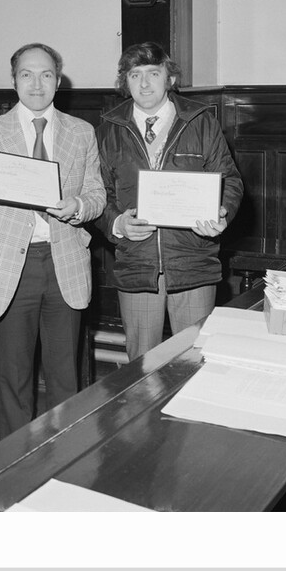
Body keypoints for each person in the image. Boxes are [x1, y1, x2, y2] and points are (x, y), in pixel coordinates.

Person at [0, 43, 106, 438]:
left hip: (65, 265)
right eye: (27, 74)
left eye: (46, 75)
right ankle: (14, 471)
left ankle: (65, 465)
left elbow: (98, 195)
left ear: (58, 81)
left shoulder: (81, 133)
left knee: (65, 375)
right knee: (14, 377)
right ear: (13, 81)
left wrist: (77, 206)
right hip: (9, 266)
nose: (36, 83)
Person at [95, 42, 243, 361]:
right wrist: (116, 223)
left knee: (192, 361)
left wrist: (223, 213)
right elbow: (99, 192)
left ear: (170, 79)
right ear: (125, 81)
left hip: (192, 261)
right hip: (136, 263)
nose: (144, 83)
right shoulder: (108, 129)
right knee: (141, 365)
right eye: (135, 75)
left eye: (153, 73)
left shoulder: (200, 121)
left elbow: (229, 178)